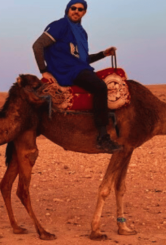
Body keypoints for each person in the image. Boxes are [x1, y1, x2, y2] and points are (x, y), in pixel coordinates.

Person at [32, 0, 122, 152]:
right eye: (73, 8)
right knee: (100, 87)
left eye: (80, 9)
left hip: (78, 68)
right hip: (66, 71)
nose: (76, 11)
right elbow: (37, 45)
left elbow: (82, 60)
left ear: (84, 13)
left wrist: (103, 54)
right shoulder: (59, 25)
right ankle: (102, 136)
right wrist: (44, 70)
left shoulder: (81, 32)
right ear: (67, 10)